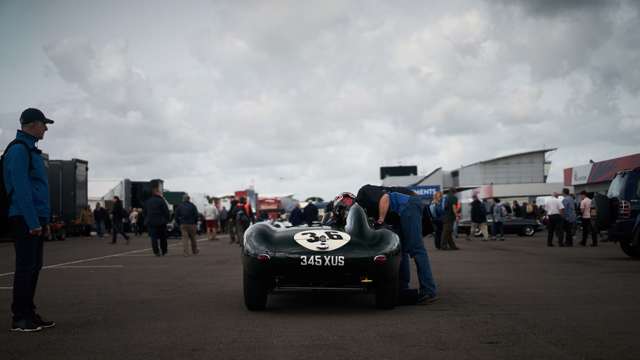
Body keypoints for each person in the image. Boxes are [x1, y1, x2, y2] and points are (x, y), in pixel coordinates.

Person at [2, 108, 56, 332]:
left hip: (36, 218)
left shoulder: (31, 150)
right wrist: (33, 221)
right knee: (25, 267)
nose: (45, 128)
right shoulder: (19, 150)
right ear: (32, 125)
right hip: (24, 218)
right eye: (44, 124)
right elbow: (21, 188)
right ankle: (20, 317)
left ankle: (29, 313)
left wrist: (45, 220)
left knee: (34, 266)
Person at [355, 184, 437, 304]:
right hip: (402, 210)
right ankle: (402, 289)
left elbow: (385, 198)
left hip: (407, 205)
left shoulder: (364, 191)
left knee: (416, 249)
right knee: (400, 249)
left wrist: (381, 220)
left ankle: (429, 291)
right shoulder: (364, 209)